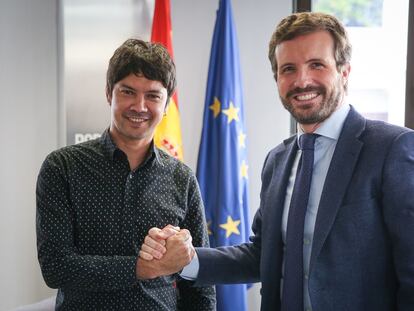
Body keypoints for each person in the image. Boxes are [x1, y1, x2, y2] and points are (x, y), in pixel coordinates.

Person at [139, 12, 414, 311]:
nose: (302, 80)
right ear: (277, 79)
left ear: (344, 71)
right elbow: (262, 256)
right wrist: (188, 259)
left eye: (316, 65)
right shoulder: (277, 161)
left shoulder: (391, 149)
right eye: (288, 69)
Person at [36, 38, 215, 310]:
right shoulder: (62, 167)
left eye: (153, 96)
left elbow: (198, 280)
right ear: (109, 93)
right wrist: (143, 267)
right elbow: (56, 267)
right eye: (128, 92)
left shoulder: (182, 179)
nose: (139, 106)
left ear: (167, 104)